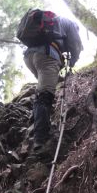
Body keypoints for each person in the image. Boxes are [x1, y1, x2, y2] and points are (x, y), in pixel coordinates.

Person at [22, 13, 83, 152]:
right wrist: (72, 62)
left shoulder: (53, 23)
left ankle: (37, 122)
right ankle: (40, 139)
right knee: (45, 96)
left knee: (43, 91)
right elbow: (76, 45)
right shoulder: (70, 23)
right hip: (46, 55)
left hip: (30, 57)